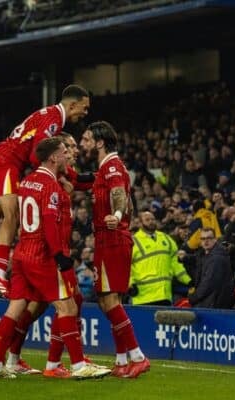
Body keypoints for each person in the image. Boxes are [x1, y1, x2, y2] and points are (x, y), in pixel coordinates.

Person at [0, 137, 109, 379]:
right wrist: (60, 257)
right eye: (64, 152)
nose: (67, 157)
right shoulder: (51, 187)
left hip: (21, 253)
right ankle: (78, 365)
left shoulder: (28, 182)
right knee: (68, 306)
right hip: (43, 256)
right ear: (53, 157)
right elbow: (50, 224)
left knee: (16, 307)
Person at [0, 85, 92, 296]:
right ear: (73, 105)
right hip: (6, 162)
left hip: (6, 161)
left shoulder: (51, 116)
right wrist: (57, 177)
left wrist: (72, 176)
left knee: (4, 207)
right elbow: (37, 156)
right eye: (84, 107)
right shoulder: (53, 118)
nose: (85, 112)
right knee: (13, 214)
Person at [80, 121, 150, 378]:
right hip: (106, 239)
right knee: (107, 300)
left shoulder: (111, 166)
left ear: (99, 142)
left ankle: (138, 356)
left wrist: (117, 214)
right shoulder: (103, 169)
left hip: (113, 238)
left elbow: (120, 194)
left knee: (109, 300)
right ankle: (121, 361)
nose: (83, 144)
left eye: (87, 139)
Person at [129, 211, 191, 306]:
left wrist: (187, 280)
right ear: (141, 223)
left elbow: (175, 263)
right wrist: (130, 284)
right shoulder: (133, 242)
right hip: (142, 297)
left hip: (164, 295)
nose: (151, 221)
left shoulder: (166, 238)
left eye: (153, 219)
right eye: (147, 220)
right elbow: (124, 266)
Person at [180, 227, 234, 309]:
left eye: (209, 238)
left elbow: (208, 283)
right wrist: (184, 257)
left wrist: (193, 298)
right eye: (203, 238)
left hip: (215, 304)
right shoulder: (205, 254)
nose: (206, 241)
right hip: (210, 301)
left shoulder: (217, 258)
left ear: (215, 239)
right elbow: (197, 259)